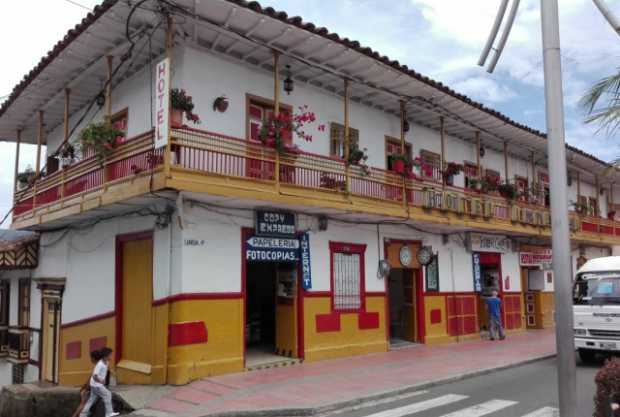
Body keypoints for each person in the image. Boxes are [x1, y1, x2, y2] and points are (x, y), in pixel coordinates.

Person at [79, 347, 119, 417]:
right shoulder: (100, 364)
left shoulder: (106, 362)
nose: (111, 356)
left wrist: (111, 371)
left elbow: (107, 367)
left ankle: (83, 414)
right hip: (97, 385)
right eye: (110, 355)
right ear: (105, 356)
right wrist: (101, 381)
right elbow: (94, 376)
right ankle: (109, 413)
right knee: (108, 394)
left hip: (94, 385)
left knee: (91, 399)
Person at [71, 349, 103, 417]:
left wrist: (84, 388)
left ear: (93, 358)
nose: (90, 359)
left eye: (91, 358)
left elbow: (90, 379)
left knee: (83, 404)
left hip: (91, 390)